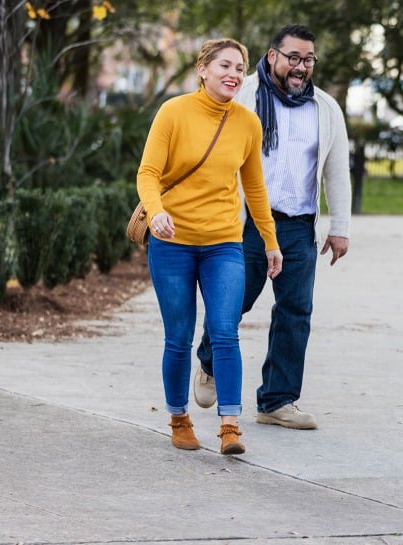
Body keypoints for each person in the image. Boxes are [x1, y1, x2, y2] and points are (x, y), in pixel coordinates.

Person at [193, 24, 351, 430]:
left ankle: (277, 401)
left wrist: (340, 226)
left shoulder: (325, 108)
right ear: (272, 56)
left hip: (298, 225)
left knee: (295, 313)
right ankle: (209, 361)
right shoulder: (243, 94)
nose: (301, 66)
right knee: (235, 300)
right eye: (293, 57)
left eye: (308, 59)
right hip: (246, 223)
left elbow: (336, 170)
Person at [136, 39, 283, 455]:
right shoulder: (173, 112)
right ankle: (179, 419)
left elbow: (255, 188)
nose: (233, 74)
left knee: (224, 332)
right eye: (225, 65)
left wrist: (270, 241)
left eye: (239, 67)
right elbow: (148, 173)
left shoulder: (247, 123)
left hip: (224, 244)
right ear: (203, 69)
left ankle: (229, 427)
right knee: (179, 337)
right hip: (172, 244)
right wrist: (156, 212)